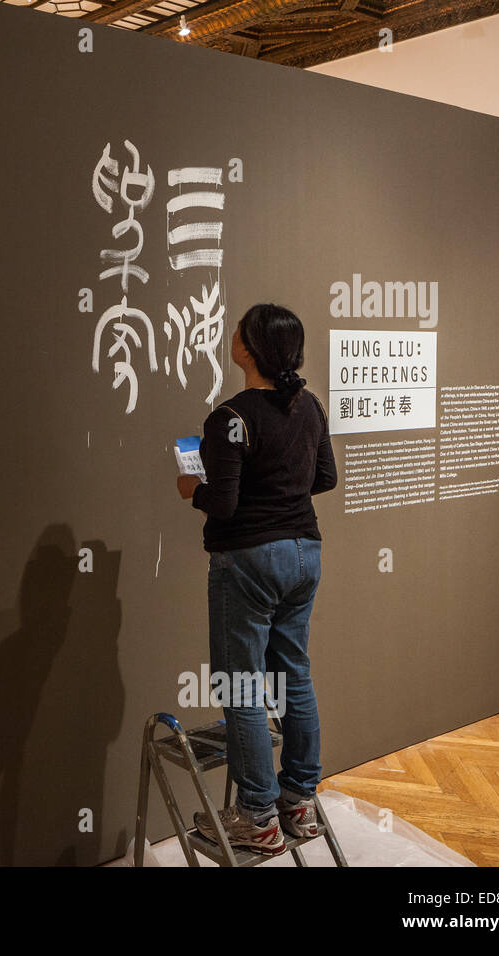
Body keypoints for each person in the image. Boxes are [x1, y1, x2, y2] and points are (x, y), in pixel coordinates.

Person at [176, 303, 338, 856]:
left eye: (238, 330)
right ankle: (299, 802)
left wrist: (188, 489)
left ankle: (257, 815)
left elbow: (222, 505)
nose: (231, 334)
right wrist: (281, 498)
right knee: (294, 675)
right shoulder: (310, 406)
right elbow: (326, 477)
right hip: (305, 554)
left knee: (241, 685)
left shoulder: (231, 417)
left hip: (247, 559)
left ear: (249, 348)